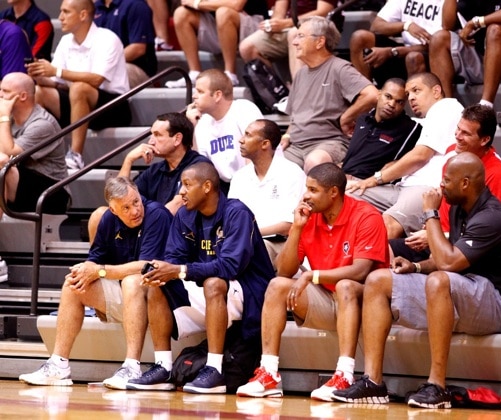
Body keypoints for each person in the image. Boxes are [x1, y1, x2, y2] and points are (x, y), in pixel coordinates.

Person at [332, 152, 501, 408]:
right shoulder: (459, 208)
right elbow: (451, 258)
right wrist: (415, 265)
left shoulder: (492, 217)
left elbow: (449, 263)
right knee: (379, 280)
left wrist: (430, 213)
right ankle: (373, 382)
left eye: (446, 179)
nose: (440, 185)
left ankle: (437, 387)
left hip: (498, 305)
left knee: (439, 280)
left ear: (465, 183)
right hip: (461, 289)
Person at [235, 163, 389, 401]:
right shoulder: (311, 218)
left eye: (313, 190)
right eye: (306, 188)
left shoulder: (366, 216)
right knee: (276, 286)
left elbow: (360, 271)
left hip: (363, 302)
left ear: (334, 192)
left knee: (345, 285)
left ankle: (344, 374)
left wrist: (311, 276)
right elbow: (285, 271)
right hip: (328, 299)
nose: (305, 195)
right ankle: (269, 373)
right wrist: (296, 228)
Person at [126, 161, 274, 393]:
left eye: (186, 185)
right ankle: (163, 367)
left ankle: (214, 369)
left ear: (206, 186)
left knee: (214, 282)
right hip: (208, 287)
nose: (181, 192)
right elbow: (173, 258)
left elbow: (230, 266)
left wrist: (180, 270)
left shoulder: (237, 213)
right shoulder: (185, 215)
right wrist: (161, 270)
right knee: (158, 284)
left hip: (250, 292)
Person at [18, 177, 173, 389]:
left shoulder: (156, 214)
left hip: (159, 300)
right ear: (114, 209)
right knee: (73, 284)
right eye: (126, 207)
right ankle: (58, 365)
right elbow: (96, 258)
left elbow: (146, 266)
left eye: (136, 202)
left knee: (131, 281)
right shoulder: (108, 220)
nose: (135, 210)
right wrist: (84, 271)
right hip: (125, 296)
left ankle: (132, 367)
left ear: (139, 194)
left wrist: (99, 271)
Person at [346, 72, 462, 239]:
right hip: (401, 187)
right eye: (408, 95)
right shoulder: (429, 119)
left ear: (436, 91)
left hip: (425, 189)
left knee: (387, 224)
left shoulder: (446, 108)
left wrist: (375, 179)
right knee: (344, 196)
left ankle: (365, 264)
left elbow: (420, 156)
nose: (411, 98)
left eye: (416, 90)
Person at [390, 104, 501, 260]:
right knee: (383, 250)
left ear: (485, 139)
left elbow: (488, 230)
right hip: (434, 237)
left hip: (463, 249)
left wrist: (436, 234)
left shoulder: (497, 175)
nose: (457, 136)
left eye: (466, 133)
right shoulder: (453, 154)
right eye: (458, 129)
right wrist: (431, 227)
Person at [26, 0, 131, 171]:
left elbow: (97, 79)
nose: (60, 17)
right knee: (39, 92)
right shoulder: (66, 41)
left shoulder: (107, 38)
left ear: (83, 15)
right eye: (60, 12)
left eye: (66, 12)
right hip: (79, 104)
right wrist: (39, 76)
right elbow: (57, 82)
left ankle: (76, 155)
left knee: (79, 88)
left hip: (114, 107)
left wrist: (55, 71)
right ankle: (37, 150)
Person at [87, 112, 211, 241]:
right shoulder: (155, 170)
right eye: (152, 135)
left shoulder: (197, 166)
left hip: (179, 233)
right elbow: (118, 197)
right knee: (99, 215)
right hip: (150, 229)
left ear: (177, 139)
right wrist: (129, 160)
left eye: (157, 135)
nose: (151, 141)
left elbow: (174, 207)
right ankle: (95, 261)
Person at [281, 16, 379, 173]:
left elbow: (372, 95)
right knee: (270, 168)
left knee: (315, 161)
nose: (294, 42)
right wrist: (286, 136)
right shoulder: (300, 74)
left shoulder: (340, 68)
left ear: (320, 42)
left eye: (300, 36)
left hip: (329, 142)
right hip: (296, 145)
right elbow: (296, 116)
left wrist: (346, 117)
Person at [428, 0, 501, 108]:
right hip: (484, 58)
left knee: (494, 29)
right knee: (438, 39)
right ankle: (444, 109)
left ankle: (485, 106)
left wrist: (477, 22)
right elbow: (447, 26)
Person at [228, 119, 306, 268]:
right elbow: (231, 219)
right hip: (245, 241)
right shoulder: (239, 176)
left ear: (265, 144)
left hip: (281, 244)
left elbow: (287, 225)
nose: (241, 140)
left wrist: (248, 233)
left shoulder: (291, 173)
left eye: (248, 135)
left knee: (255, 249)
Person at [0, 72, 69, 217]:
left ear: (23, 96)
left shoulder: (42, 124)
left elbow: (8, 153)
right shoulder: (9, 118)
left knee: (2, 164)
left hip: (51, 193)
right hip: (22, 182)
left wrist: (3, 117)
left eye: (5, 92)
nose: (0, 95)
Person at [185, 69, 263, 192]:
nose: (194, 96)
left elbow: (256, 155)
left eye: (200, 91)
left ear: (217, 95)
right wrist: (192, 127)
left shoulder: (243, 109)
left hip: (258, 181)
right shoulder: (203, 123)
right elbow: (200, 165)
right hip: (226, 187)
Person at [165, 0, 268, 87]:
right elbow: (186, 2)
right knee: (181, 13)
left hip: (255, 24)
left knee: (223, 12)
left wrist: (197, 4)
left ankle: (230, 74)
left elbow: (236, 4)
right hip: (217, 21)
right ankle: (194, 74)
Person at [341, 77, 421, 181]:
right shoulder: (363, 119)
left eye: (399, 102)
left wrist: (398, 162)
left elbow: (421, 156)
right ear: (379, 94)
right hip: (343, 178)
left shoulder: (411, 128)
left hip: (371, 184)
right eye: (388, 97)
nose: (392, 104)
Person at [349, 0, 444, 87]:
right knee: (360, 38)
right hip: (403, 53)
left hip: (431, 58)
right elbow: (376, 26)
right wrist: (406, 25)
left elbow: (437, 45)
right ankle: (366, 96)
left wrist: (392, 52)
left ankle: (413, 103)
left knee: (413, 58)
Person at [239, 0, 336, 81]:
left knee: (295, 34)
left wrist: (286, 23)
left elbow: (324, 11)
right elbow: (279, 13)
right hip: (289, 26)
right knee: (247, 47)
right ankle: (278, 94)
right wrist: (274, 24)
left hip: (318, 25)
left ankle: (300, 94)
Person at [94, 0, 158, 88]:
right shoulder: (95, 8)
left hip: (134, 68)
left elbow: (137, 48)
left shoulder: (136, 5)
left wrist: (104, 64)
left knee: (113, 74)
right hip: (101, 66)